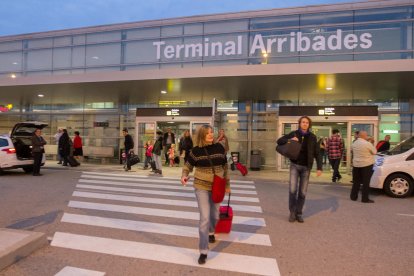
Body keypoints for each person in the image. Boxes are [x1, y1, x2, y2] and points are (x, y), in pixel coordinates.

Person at [181, 125, 230, 265]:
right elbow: (187, 167)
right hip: (201, 186)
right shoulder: (195, 151)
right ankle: (203, 251)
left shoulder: (220, 148)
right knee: (204, 218)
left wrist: (227, 185)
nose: (211, 135)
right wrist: (184, 175)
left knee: (214, 215)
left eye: (211, 132)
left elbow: (225, 168)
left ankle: (211, 232)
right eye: (207, 133)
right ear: (202, 135)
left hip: (217, 186)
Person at [277, 116, 322, 223]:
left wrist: (319, 167)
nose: (305, 124)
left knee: (302, 192)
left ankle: (299, 213)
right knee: (293, 190)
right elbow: (279, 141)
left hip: (307, 167)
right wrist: (290, 139)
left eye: (307, 122)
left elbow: (317, 153)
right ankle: (292, 212)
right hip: (295, 165)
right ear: (300, 123)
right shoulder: (294, 133)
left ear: (309, 124)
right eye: (303, 122)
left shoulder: (312, 137)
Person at [350, 130, 377, 203]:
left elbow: (351, 151)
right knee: (366, 182)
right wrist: (371, 143)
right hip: (366, 165)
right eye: (366, 135)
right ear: (364, 136)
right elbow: (375, 152)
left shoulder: (354, 143)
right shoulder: (368, 144)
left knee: (356, 182)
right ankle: (365, 199)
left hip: (356, 165)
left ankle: (353, 197)